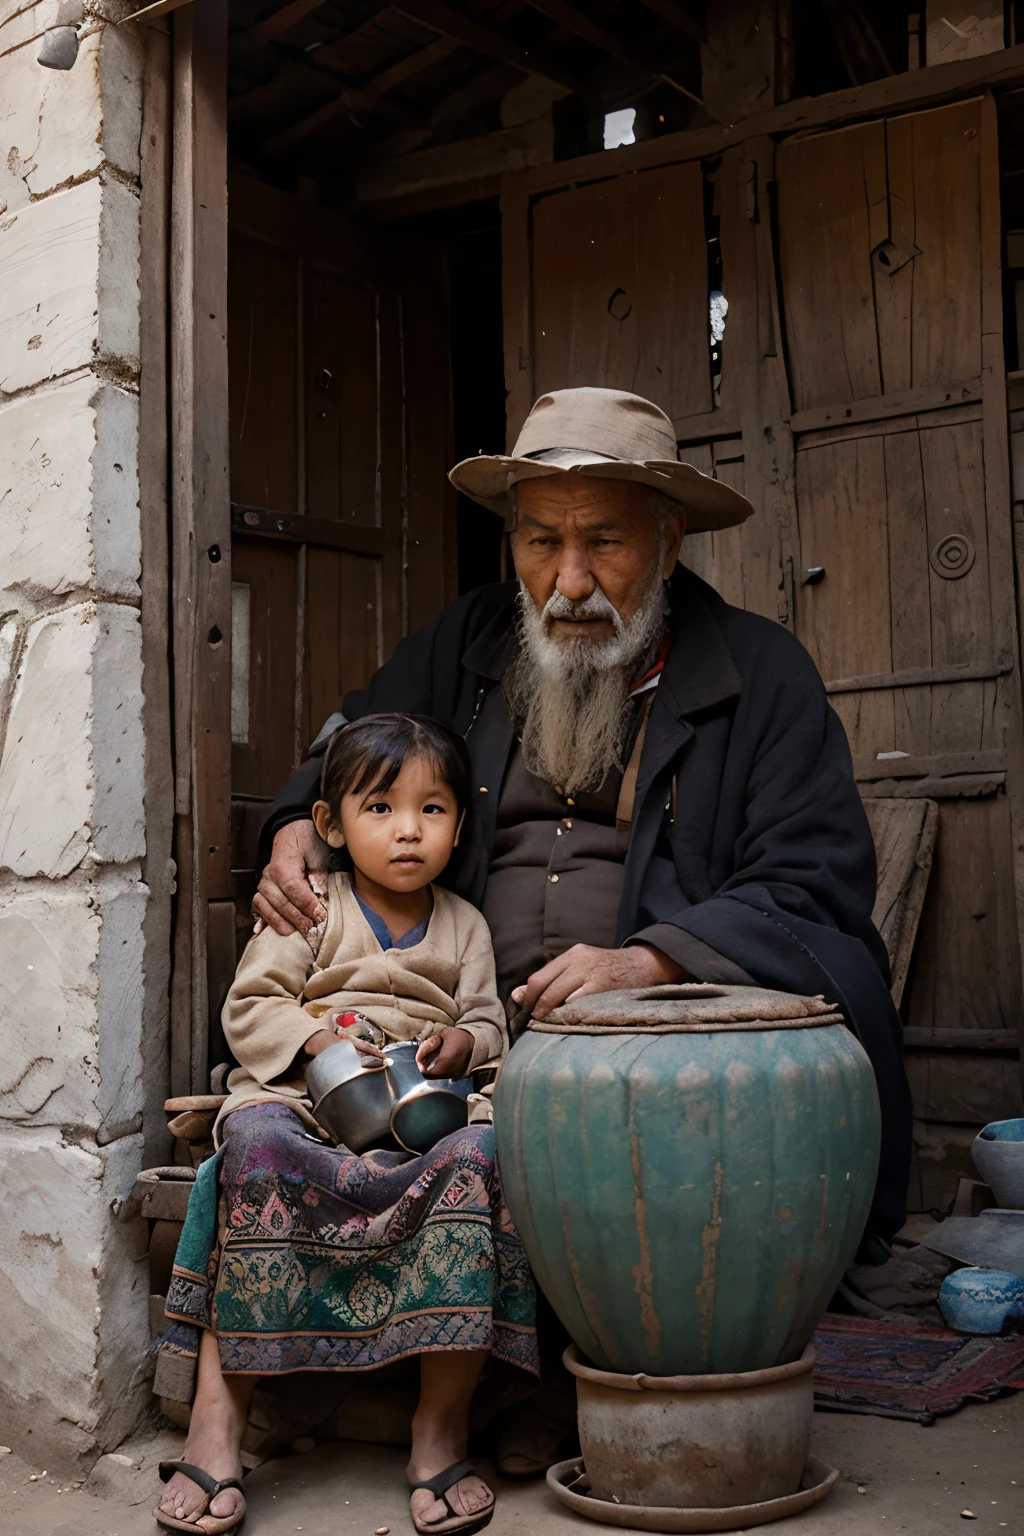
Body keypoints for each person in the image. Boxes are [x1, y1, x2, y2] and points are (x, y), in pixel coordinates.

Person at [255, 385, 914, 1471]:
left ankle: (539, 1380)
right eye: (539, 542)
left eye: (602, 542)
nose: (567, 581)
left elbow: (815, 882)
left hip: (645, 1037)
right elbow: (347, 750)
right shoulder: (464, 645)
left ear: (668, 537)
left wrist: (649, 959)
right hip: (441, 1009)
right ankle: (344, 1368)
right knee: (316, 1078)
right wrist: (293, 827)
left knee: (632, 1118)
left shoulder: (762, 676)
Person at [156, 715, 536, 1536]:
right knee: (250, 1153)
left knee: (485, 1155)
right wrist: (320, 1043)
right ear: (329, 825)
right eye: (381, 808)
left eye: (433, 811)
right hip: (307, 1097)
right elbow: (252, 1006)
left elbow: (489, 1025)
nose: (408, 830)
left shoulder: (465, 924)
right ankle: (217, 1422)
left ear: (459, 826)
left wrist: (464, 1041)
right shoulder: (313, 906)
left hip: (422, 1112)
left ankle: (437, 1432)